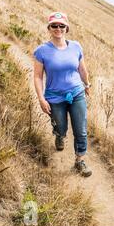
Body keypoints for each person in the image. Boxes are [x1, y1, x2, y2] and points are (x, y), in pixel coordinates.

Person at [33, 12, 92, 177]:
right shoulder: (42, 51)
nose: (58, 29)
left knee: (80, 130)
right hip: (54, 97)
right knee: (61, 127)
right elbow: (37, 76)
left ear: (67, 28)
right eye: (54, 26)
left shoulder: (76, 46)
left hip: (76, 93)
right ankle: (59, 136)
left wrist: (87, 84)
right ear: (49, 28)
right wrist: (41, 98)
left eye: (61, 26)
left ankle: (80, 160)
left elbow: (81, 68)